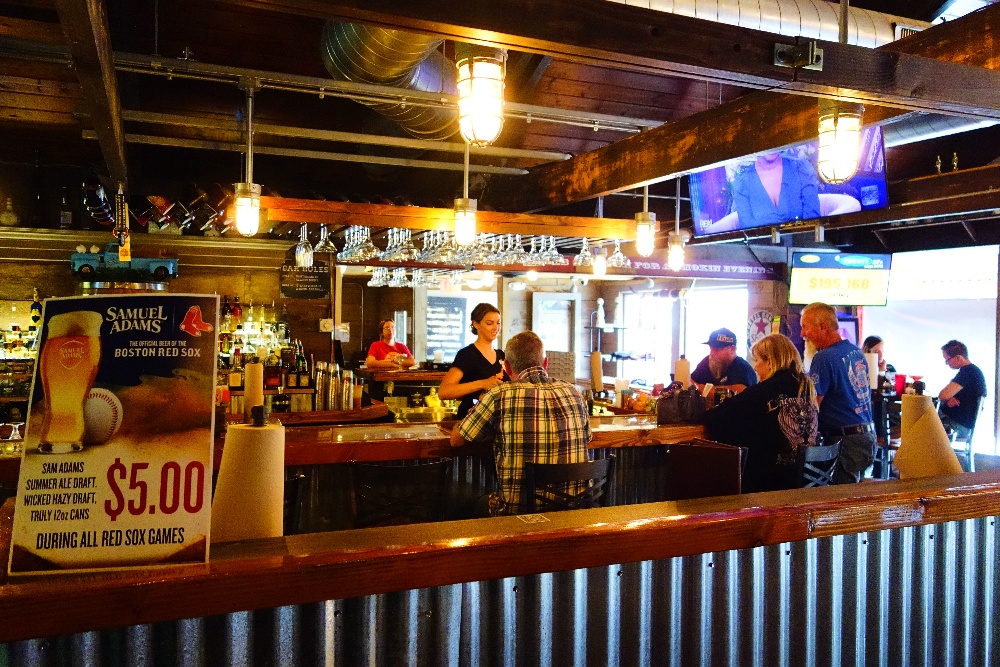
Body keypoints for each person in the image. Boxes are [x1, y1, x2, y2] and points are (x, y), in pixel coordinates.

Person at [449, 331, 592, 516]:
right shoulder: (573, 392)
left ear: (507, 367)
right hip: (574, 512)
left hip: (518, 516)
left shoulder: (499, 394)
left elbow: (456, 440)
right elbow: (588, 438)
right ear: (545, 363)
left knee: (469, 505)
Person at [704, 334, 818, 492]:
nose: (755, 367)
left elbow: (715, 419)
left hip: (770, 486)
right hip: (807, 483)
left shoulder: (764, 391)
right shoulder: (806, 388)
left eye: (757, 360)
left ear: (770, 362)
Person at [800, 302, 875, 484]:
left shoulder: (824, 357)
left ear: (823, 327)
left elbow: (813, 405)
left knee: (841, 502)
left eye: (805, 327)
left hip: (846, 442)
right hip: (866, 437)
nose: (802, 334)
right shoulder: (855, 351)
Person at [438, 303, 505, 419]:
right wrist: (482, 383)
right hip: (470, 419)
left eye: (498, 323)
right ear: (476, 324)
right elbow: (444, 391)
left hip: (496, 421)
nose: (496, 327)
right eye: (489, 323)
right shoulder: (467, 354)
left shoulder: (502, 355)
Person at [938, 340, 987, 440]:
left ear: (958, 357)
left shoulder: (968, 371)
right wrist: (949, 399)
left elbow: (943, 395)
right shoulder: (973, 371)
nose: (947, 364)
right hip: (964, 424)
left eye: (947, 360)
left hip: (958, 426)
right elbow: (946, 396)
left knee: (921, 416)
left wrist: (946, 398)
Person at [690, 328, 757, 394]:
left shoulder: (742, 367)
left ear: (732, 349)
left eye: (717, 349)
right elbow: (689, 382)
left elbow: (739, 392)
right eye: (711, 348)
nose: (712, 353)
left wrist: (699, 388)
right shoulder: (706, 362)